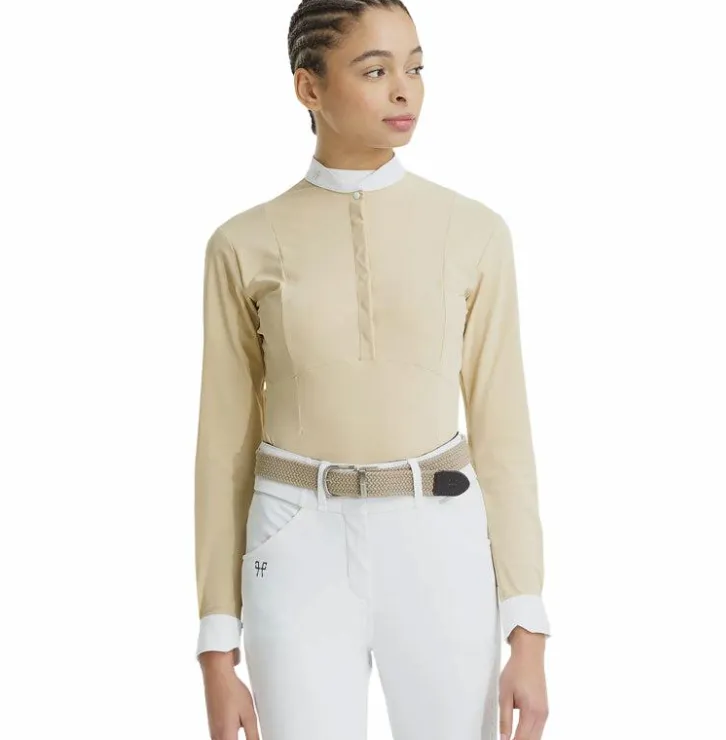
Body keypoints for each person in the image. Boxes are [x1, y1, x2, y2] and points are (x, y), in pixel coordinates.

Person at [194, 1, 551, 739]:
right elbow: (223, 445)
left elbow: (503, 433)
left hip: (441, 538)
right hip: (294, 539)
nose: (403, 89)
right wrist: (216, 645)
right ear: (309, 87)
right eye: (374, 70)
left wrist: (527, 624)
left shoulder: (475, 231)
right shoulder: (242, 244)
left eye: (415, 68)